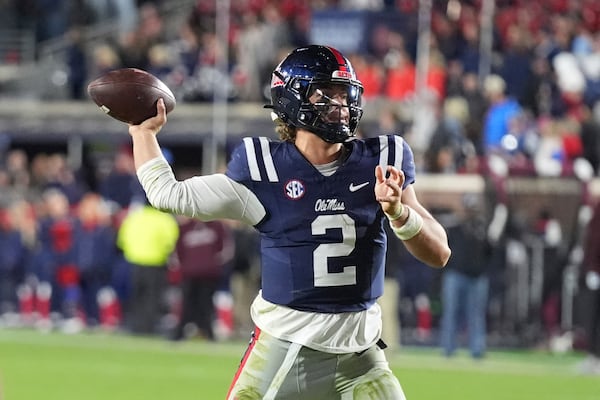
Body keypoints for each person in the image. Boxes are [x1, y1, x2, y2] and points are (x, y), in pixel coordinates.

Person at [127, 45, 450, 399]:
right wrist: (143, 134)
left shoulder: (382, 161)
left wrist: (399, 214)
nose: (341, 105)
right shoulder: (263, 171)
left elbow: (440, 253)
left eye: (345, 93)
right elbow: (169, 195)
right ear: (293, 99)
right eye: (327, 93)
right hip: (286, 351)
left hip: (362, 356)